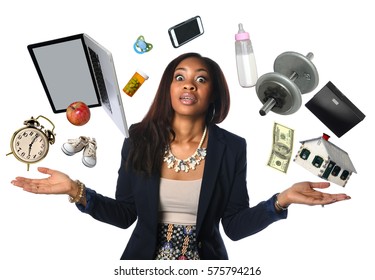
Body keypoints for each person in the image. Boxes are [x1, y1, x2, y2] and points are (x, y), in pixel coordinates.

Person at [11, 52, 351, 260]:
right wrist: (75, 190)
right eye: (180, 78)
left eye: (200, 80)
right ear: (169, 88)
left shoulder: (232, 147)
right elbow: (125, 214)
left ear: (213, 93)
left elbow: (232, 226)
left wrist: (280, 201)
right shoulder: (138, 140)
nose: (189, 85)